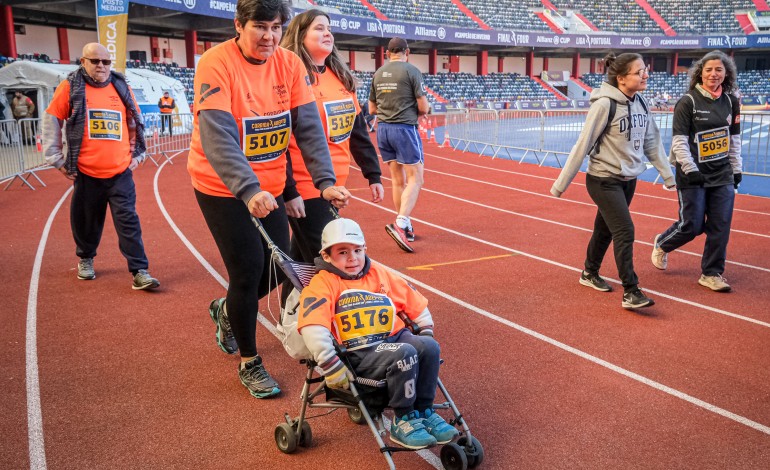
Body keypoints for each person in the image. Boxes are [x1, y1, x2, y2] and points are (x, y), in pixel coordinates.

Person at [188, 0, 351, 399]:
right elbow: (218, 136)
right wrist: (248, 189)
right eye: (260, 27)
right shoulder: (215, 63)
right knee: (246, 270)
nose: (269, 36)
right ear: (238, 25)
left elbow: (308, 128)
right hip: (222, 187)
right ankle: (249, 360)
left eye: (276, 27)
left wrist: (324, 181)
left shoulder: (290, 65)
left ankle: (225, 311)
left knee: (282, 267)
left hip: (272, 183)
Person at [298, 218, 459, 449]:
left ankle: (424, 411)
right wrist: (328, 361)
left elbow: (413, 300)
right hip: (360, 351)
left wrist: (424, 328)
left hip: (394, 338)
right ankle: (403, 419)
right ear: (326, 256)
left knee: (429, 347)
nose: (352, 258)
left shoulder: (378, 272)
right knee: (405, 352)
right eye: (342, 252)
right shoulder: (323, 283)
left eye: (357, 250)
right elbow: (313, 324)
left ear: (365, 249)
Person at [550, 52, 675, 310]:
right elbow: (582, 145)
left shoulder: (640, 102)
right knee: (625, 231)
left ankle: (589, 272)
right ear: (621, 78)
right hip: (603, 180)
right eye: (639, 72)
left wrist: (668, 174)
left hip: (628, 180)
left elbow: (652, 142)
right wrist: (561, 184)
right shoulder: (604, 105)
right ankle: (631, 290)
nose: (645, 75)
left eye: (645, 70)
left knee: (605, 229)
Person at [41, 43, 159, 290]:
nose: (102, 66)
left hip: (120, 173)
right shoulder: (71, 87)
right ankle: (86, 258)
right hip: (86, 173)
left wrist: (138, 155)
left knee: (129, 222)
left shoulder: (121, 86)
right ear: (83, 62)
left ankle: (140, 270)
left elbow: (135, 120)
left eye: (106, 62)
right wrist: (55, 158)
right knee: (86, 221)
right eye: (95, 61)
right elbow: (52, 118)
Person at [280, 9, 384, 268]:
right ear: (300, 35)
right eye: (318, 28)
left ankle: (287, 308)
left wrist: (373, 174)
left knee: (301, 261)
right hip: (305, 187)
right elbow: (281, 142)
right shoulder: (289, 78)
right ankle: (240, 299)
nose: (327, 33)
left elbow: (357, 131)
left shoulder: (341, 76)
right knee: (330, 262)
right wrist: (289, 190)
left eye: (329, 28)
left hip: (334, 185)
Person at [651, 51, 742, 292]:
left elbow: (734, 140)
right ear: (700, 72)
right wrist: (691, 169)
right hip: (692, 173)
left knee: (720, 224)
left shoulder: (732, 101)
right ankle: (662, 243)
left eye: (719, 70)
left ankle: (712, 273)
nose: (714, 74)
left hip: (721, 172)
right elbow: (679, 141)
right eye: (709, 69)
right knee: (692, 225)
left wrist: (737, 169)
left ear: (726, 73)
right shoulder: (688, 102)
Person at [369, 37, 430, 253]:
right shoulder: (411, 71)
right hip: (404, 129)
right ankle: (401, 222)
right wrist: (421, 109)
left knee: (397, 181)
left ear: (387, 53)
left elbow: (372, 108)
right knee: (416, 178)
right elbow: (423, 106)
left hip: (384, 130)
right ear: (407, 52)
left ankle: (406, 224)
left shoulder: (377, 73)